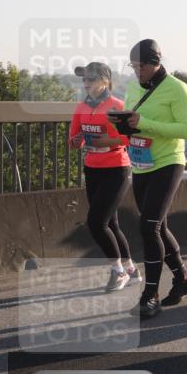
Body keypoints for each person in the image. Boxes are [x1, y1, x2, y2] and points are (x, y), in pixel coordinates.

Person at [122, 40, 187, 318]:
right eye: (133, 66)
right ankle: (183, 278)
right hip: (141, 164)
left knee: (149, 226)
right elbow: (131, 122)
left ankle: (150, 295)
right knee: (159, 228)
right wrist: (122, 125)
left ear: (155, 63)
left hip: (168, 162)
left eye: (141, 66)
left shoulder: (178, 88)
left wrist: (144, 123)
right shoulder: (132, 89)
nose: (137, 71)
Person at [69, 62, 139, 292]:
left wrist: (106, 142)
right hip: (92, 169)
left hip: (117, 169)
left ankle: (118, 271)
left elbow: (128, 138)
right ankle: (131, 269)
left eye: (91, 79)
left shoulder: (117, 106)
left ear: (105, 81)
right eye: (84, 79)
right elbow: (73, 141)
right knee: (110, 223)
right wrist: (77, 141)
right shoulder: (81, 107)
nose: (86, 83)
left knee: (96, 223)